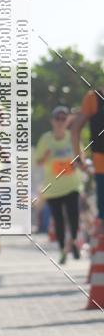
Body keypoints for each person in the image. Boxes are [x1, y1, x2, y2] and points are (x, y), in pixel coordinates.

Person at [35, 105, 83, 264]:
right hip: (53, 188)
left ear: (67, 120)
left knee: (74, 217)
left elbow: (81, 157)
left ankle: (75, 243)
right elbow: (38, 162)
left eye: (64, 118)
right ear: (52, 121)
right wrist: (46, 156)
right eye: (58, 118)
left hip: (72, 185)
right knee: (59, 220)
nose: (61, 122)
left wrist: (78, 163)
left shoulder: (73, 137)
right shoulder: (45, 139)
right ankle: (63, 249)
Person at [70, 88, 104, 231]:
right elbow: (75, 129)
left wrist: (79, 157)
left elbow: (75, 129)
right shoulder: (94, 97)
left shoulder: (94, 97)